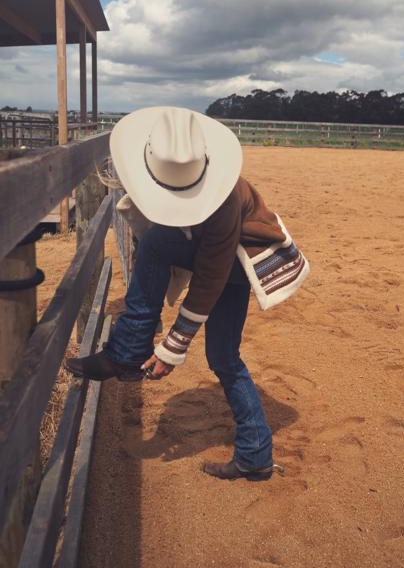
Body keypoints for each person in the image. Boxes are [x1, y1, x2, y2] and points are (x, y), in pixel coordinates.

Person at [65, 107, 309, 481]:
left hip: (240, 263)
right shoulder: (188, 171)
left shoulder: (225, 201)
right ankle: (127, 354)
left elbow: (212, 275)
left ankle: (255, 455)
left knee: (224, 358)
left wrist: (172, 348)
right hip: (218, 254)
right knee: (158, 244)